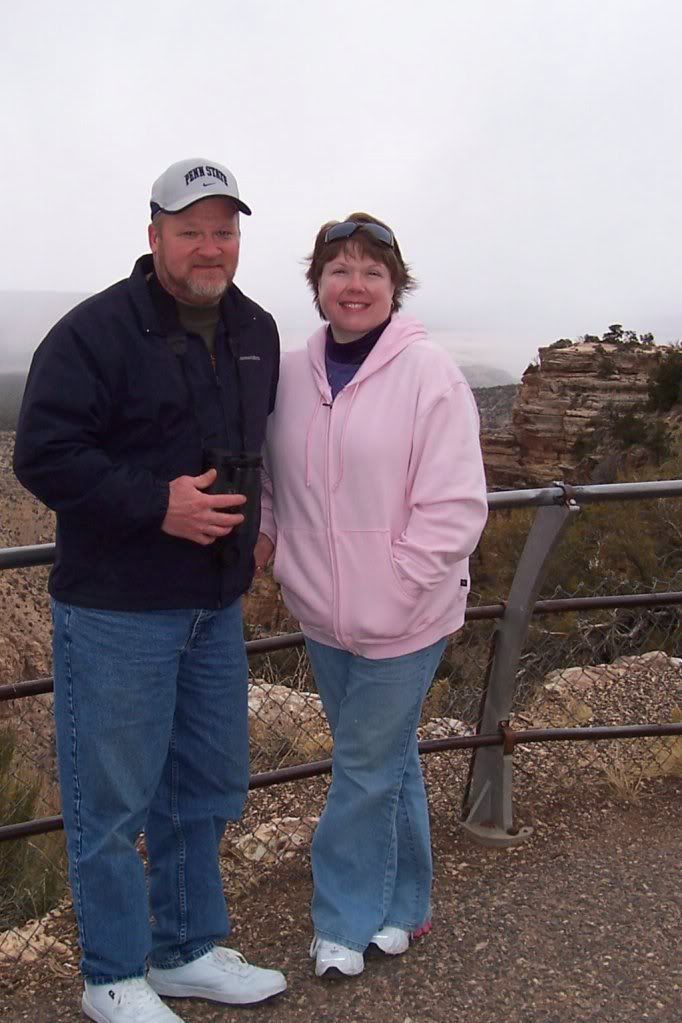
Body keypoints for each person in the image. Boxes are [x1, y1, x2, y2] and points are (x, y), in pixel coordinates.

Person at [13, 158, 286, 1023]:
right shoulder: (94, 332)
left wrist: (260, 521)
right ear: (154, 235)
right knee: (114, 795)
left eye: (224, 228)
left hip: (215, 604)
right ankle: (110, 975)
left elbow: (256, 443)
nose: (210, 245)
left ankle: (185, 950)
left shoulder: (258, 329)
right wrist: (156, 503)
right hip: (116, 609)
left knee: (202, 784)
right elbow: (43, 455)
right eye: (190, 228)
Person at [255, 213, 488, 978]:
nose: (355, 285)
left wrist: (395, 591)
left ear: (396, 286)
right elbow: (266, 480)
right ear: (318, 286)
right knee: (391, 758)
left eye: (371, 272)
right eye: (339, 271)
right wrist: (277, 547)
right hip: (321, 612)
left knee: (360, 764)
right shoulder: (288, 375)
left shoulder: (430, 376)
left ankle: (342, 921)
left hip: (408, 616)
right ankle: (406, 905)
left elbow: (454, 506)